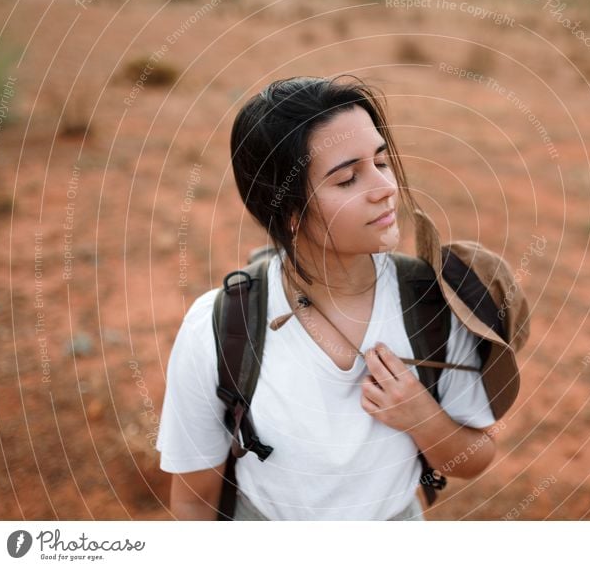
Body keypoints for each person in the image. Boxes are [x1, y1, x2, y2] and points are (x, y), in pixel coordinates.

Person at [155, 75, 501, 521]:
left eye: (381, 162)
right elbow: (193, 500)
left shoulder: (434, 305)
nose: (385, 188)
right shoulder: (220, 327)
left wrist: (423, 418)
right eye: (347, 179)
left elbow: (476, 458)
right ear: (291, 212)